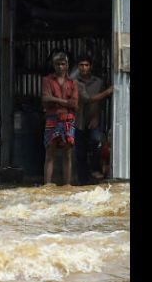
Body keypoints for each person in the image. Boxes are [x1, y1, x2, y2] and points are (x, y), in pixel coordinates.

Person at [71, 55, 114, 184]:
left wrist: (97, 117)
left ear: (91, 66)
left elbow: (101, 104)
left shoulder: (99, 82)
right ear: (78, 67)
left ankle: (95, 173)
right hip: (78, 121)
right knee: (80, 152)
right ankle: (82, 181)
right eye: (81, 65)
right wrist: (107, 92)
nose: (84, 68)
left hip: (94, 120)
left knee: (97, 143)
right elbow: (87, 99)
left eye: (86, 65)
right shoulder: (75, 82)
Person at [41, 51, 78, 185]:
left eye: (63, 64)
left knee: (67, 155)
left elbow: (74, 103)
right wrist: (64, 102)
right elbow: (45, 98)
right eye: (57, 64)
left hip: (68, 119)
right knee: (50, 153)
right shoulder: (47, 80)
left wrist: (55, 100)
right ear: (54, 65)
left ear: (67, 65)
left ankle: (67, 185)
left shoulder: (73, 82)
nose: (60, 67)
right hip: (53, 119)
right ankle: (47, 185)